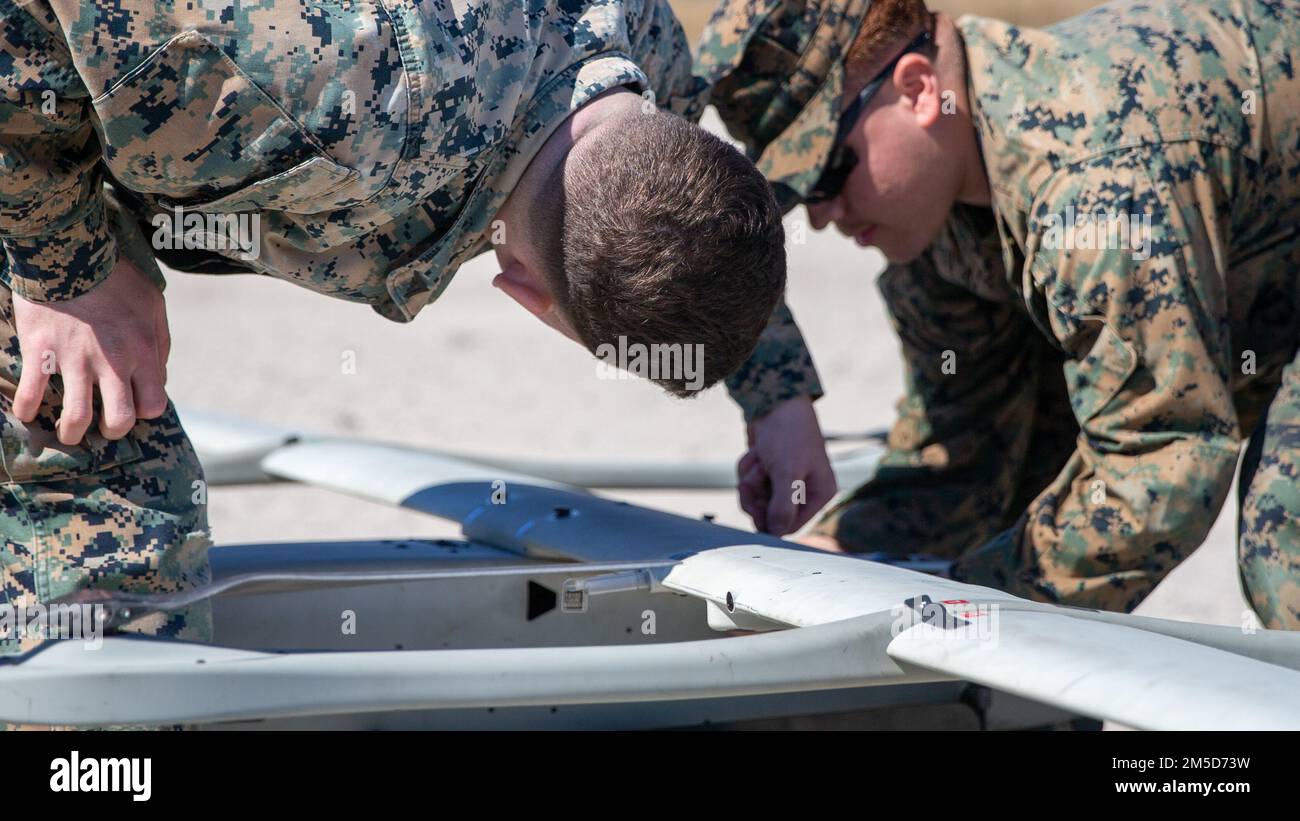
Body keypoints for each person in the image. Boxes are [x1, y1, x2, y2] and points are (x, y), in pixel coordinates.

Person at [0, 0, 838, 660]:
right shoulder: (337, 93)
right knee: (109, 533)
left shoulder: (641, 49)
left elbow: (679, 224)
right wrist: (70, 274)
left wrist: (779, 397)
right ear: (527, 298)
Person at [704, 0, 1300, 627]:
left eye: (828, 172)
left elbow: (1163, 464)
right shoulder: (938, 201)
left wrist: (961, 614)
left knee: (1283, 544)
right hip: (1263, 274)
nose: (820, 215)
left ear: (917, 91)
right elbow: (968, 447)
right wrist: (839, 557)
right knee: (1038, 486)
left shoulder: (1093, 194)